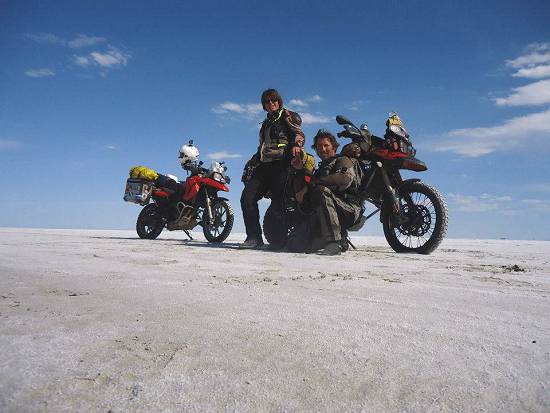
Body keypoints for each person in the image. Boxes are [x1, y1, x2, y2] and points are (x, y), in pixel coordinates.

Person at [239, 89, 305, 249]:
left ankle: (280, 238)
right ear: (264, 105)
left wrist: (297, 145)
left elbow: (299, 133)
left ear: (279, 101)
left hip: (282, 164)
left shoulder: (287, 116)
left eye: (273, 100)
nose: (271, 103)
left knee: (278, 202)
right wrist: (254, 158)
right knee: (247, 197)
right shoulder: (266, 123)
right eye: (267, 101)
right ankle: (254, 237)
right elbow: (264, 145)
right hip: (264, 166)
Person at [291, 129, 363, 255]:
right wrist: (300, 171)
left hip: (349, 209)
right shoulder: (321, 169)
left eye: (326, 145)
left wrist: (315, 183)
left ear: (334, 147)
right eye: (319, 146)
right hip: (325, 212)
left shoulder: (342, 160)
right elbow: (309, 183)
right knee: (295, 245)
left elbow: (343, 178)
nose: (322, 149)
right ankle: (334, 239)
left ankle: (335, 242)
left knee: (321, 191)